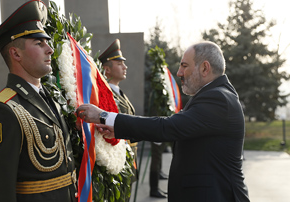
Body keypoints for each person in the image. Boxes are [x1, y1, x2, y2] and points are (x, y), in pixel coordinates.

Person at [77, 41, 250, 202]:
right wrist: (119, 129)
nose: (179, 73)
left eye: (184, 66)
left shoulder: (218, 98)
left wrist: (105, 116)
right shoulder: (213, 95)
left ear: (205, 68)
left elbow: (168, 127)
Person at [0, 1, 77, 202]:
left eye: (47, 42)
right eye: (39, 43)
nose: (49, 49)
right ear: (16, 54)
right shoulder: (2, 110)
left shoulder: (49, 99)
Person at [98, 39, 138, 201]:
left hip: (129, 155)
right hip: (118, 158)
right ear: (106, 69)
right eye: (119, 63)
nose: (125, 67)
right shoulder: (105, 94)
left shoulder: (119, 92)